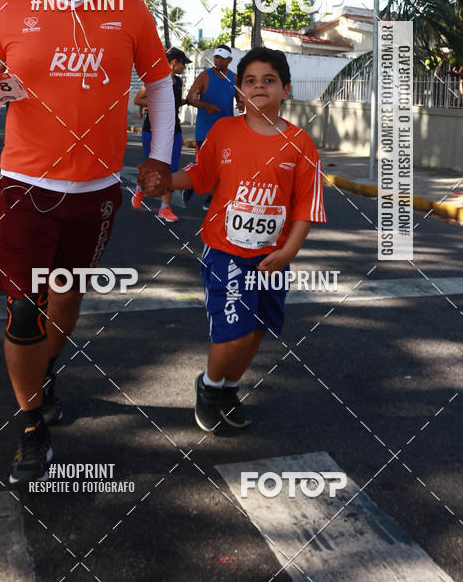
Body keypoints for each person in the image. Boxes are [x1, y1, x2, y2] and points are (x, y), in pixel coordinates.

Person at [0, 0, 175, 486]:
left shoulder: (131, 13)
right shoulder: (8, 13)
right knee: (23, 305)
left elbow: (161, 85)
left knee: (64, 298)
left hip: (95, 194)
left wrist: (159, 160)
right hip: (23, 188)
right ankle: (32, 424)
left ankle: (47, 371)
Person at [145, 47, 326, 431]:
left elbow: (305, 208)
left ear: (286, 89)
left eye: (269, 80)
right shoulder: (226, 131)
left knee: (257, 328)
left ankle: (228, 387)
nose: (259, 86)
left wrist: (288, 252)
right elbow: (200, 176)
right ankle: (210, 387)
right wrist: (165, 181)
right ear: (240, 92)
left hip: (273, 259)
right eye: (250, 81)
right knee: (234, 331)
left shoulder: (301, 144)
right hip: (226, 252)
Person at [131, 47, 191, 222]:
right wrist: (160, 100)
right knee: (153, 169)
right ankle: (140, 190)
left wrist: (188, 101)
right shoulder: (155, 80)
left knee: (171, 169)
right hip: (153, 130)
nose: (184, 68)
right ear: (174, 62)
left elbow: (175, 103)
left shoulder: (178, 82)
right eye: (183, 64)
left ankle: (164, 208)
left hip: (175, 131)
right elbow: (138, 100)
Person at [185, 44, 241, 209]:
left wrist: (241, 103)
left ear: (229, 60)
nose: (218, 60)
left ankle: (211, 198)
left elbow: (240, 95)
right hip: (205, 129)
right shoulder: (204, 76)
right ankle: (189, 184)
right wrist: (205, 105)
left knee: (223, 165)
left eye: (222, 58)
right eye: (216, 57)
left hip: (226, 131)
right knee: (203, 165)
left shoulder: (234, 77)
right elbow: (190, 98)